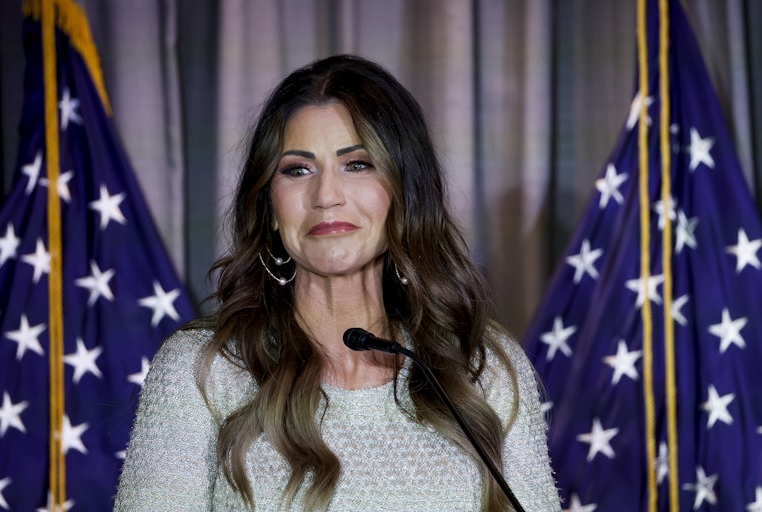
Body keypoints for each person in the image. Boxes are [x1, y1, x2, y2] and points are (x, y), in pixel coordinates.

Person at [114, 54, 561, 512]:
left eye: (357, 164)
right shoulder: (202, 369)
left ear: (405, 193)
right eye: (297, 170)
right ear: (269, 207)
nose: (326, 196)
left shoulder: (482, 365)